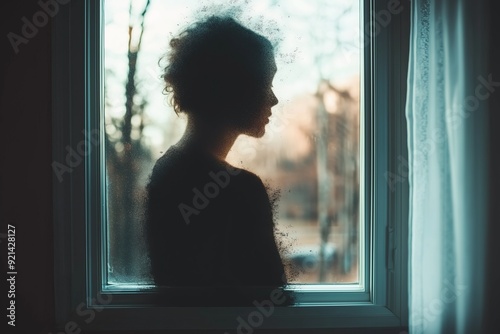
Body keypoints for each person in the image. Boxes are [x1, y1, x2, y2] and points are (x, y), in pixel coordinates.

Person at [144, 16, 292, 306]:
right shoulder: (240, 189)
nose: (273, 99)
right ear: (233, 88)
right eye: (266, 83)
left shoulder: (167, 171)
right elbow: (275, 302)